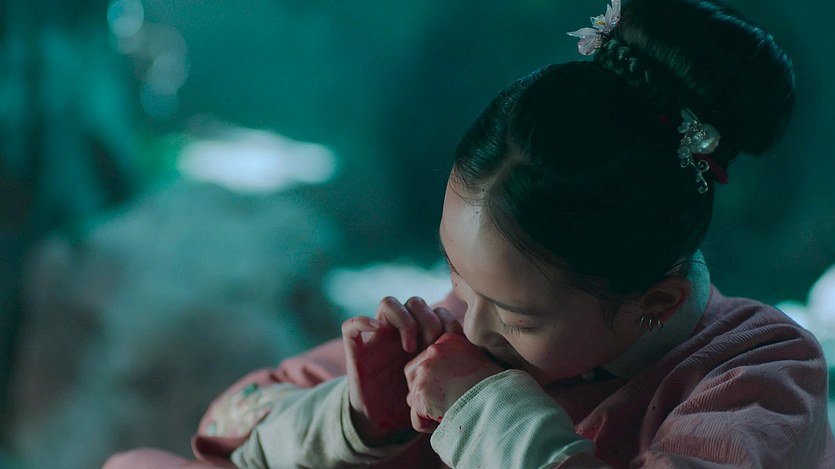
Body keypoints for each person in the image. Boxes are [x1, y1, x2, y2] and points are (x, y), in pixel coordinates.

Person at [104, 0, 835, 467]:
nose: (468, 323)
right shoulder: (470, 324)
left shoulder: (756, 374)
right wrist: (363, 415)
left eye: (517, 317)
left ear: (656, 302)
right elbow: (233, 429)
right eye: (455, 274)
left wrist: (482, 405)